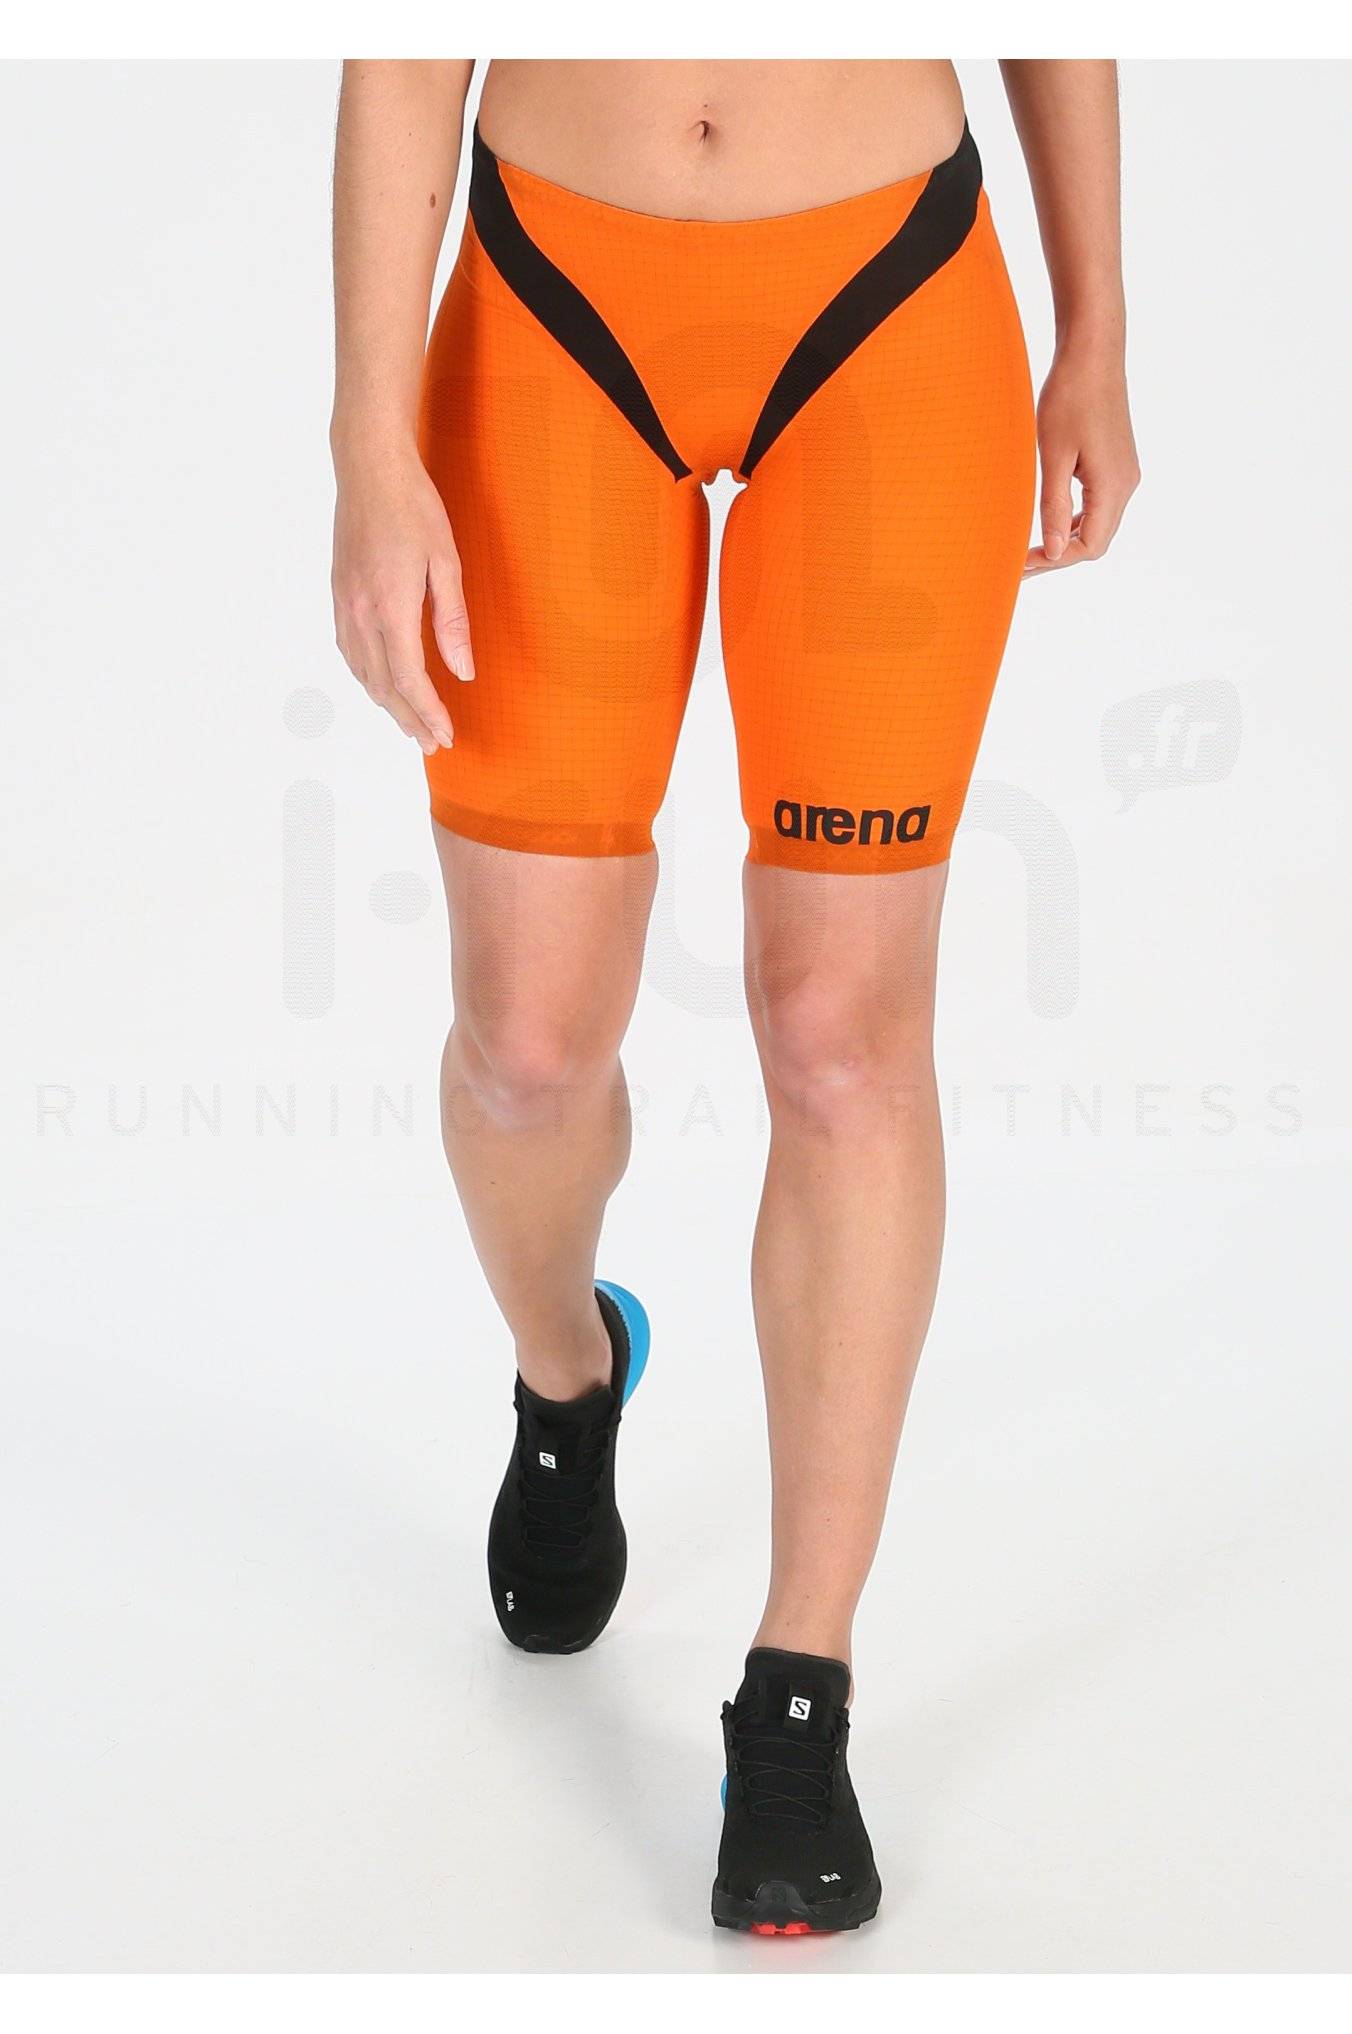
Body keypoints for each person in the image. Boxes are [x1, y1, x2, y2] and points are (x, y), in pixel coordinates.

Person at [330, 57, 1139, 1936]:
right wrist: (369, 436)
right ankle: (569, 1372)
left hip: (888, 293)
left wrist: (1096, 322)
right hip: (549, 296)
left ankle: (799, 1688)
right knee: (528, 1045)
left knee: (843, 1034)